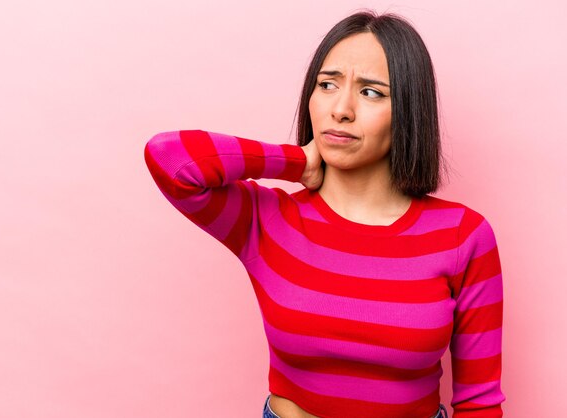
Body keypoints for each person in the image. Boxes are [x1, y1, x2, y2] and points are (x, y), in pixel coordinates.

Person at [144, 9, 505, 418]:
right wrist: (296, 162)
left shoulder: (463, 235)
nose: (341, 109)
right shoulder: (266, 220)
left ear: (409, 110)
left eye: (371, 92)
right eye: (328, 84)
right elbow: (171, 160)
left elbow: (479, 403)